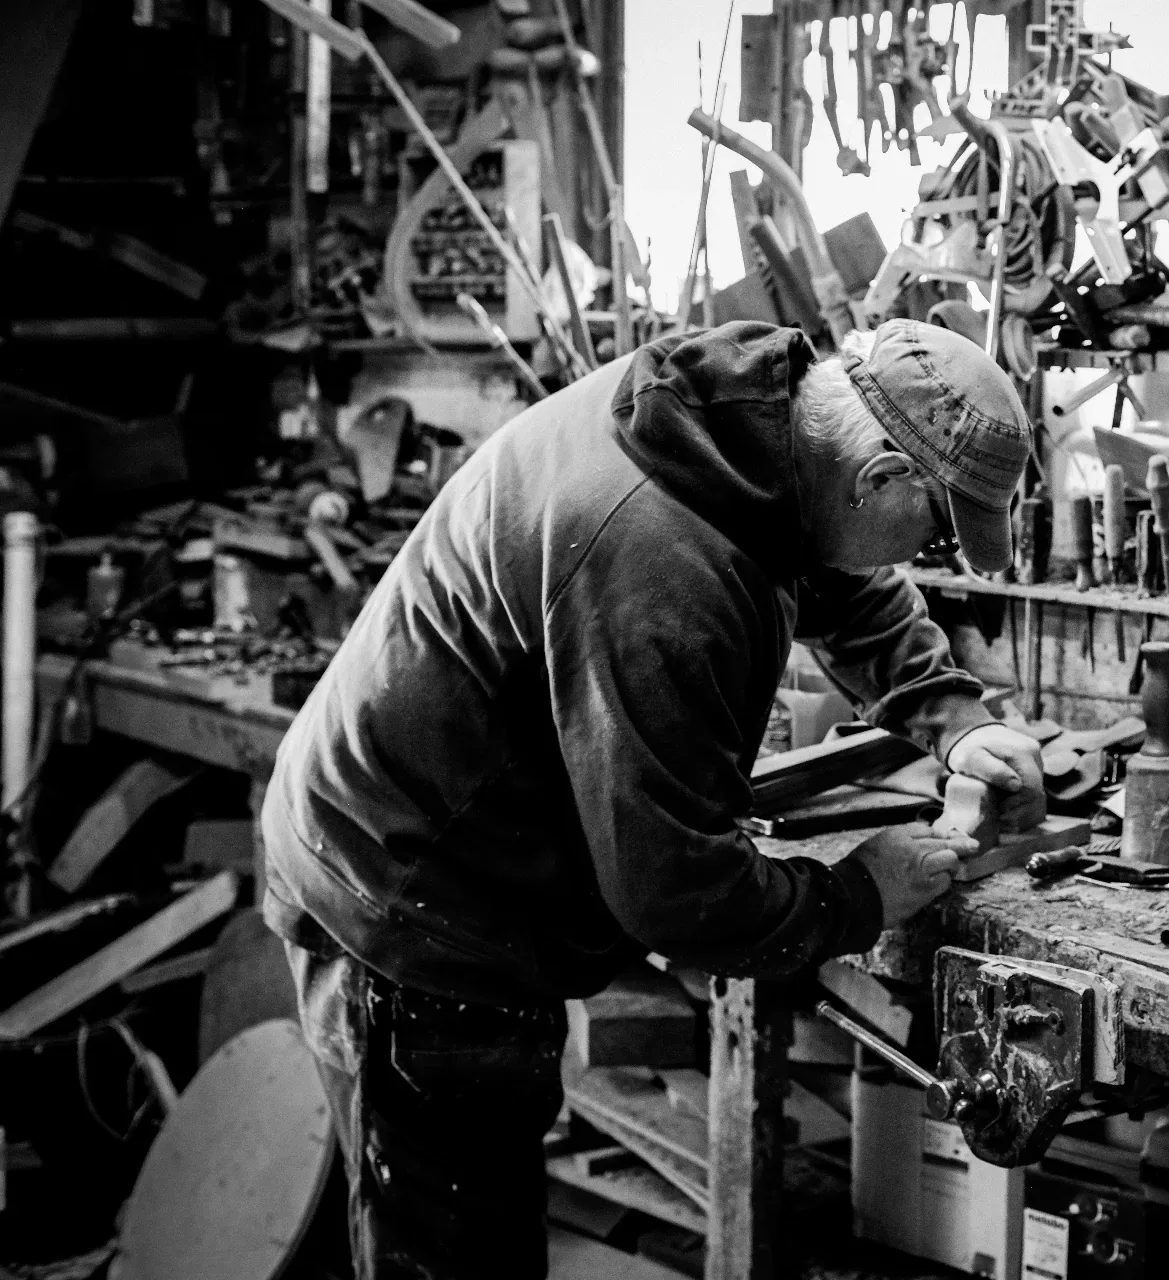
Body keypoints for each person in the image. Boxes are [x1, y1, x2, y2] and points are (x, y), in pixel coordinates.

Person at [262, 318, 1045, 1279]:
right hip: (408, 900)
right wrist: (857, 898)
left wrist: (955, 716)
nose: (932, 553)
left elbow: (842, 574)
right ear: (880, 477)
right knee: (451, 1253)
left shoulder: (758, 425)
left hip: (441, 855)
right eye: (934, 527)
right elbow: (672, 890)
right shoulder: (663, 563)